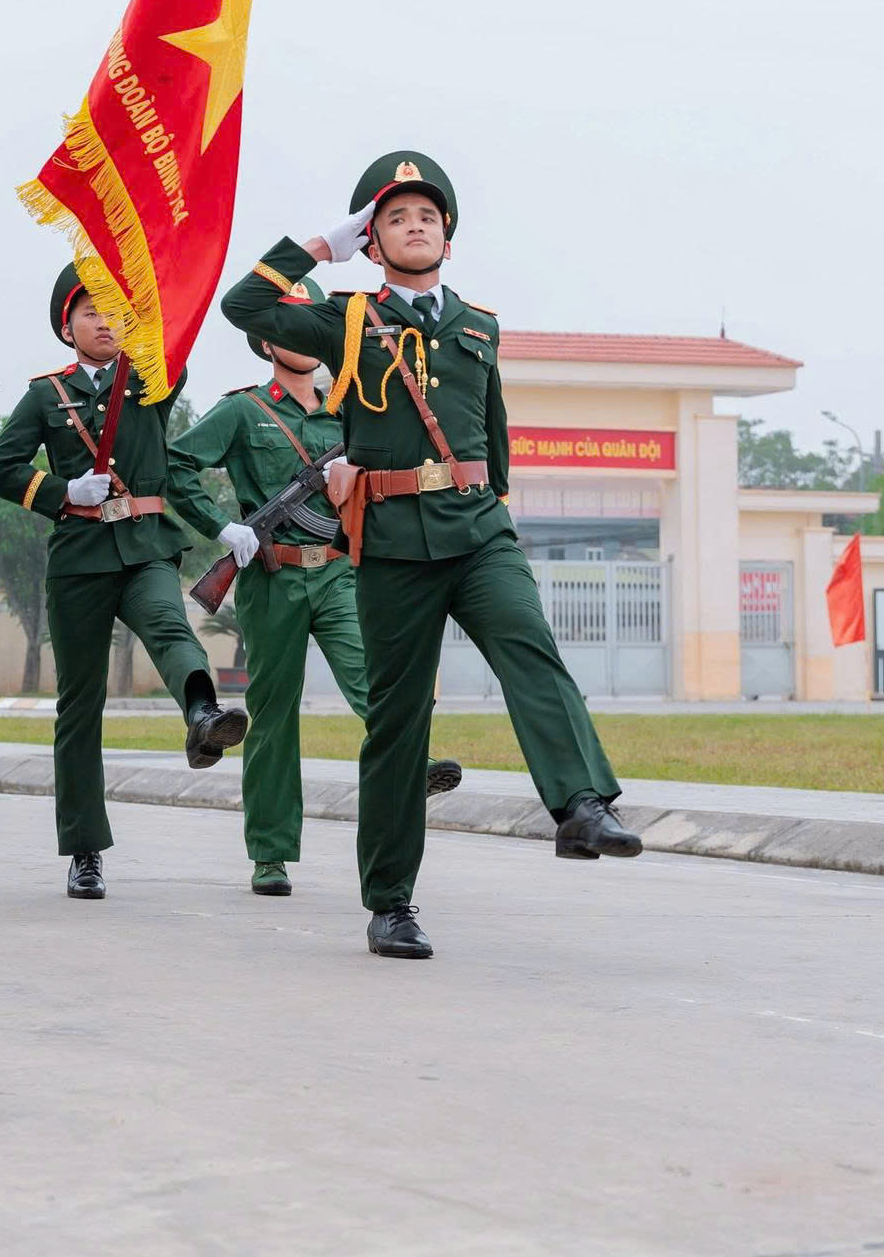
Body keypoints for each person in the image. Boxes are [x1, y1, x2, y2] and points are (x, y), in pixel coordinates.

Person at [222, 150, 641, 960]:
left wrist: (496, 508)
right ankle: (390, 903)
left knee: (531, 648)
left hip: (478, 530)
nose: (414, 226)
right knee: (398, 723)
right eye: (394, 218)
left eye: (426, 216)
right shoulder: (346, 320)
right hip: (392, 546)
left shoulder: (479, 325)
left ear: (448, 237)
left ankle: (581, 805)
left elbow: (494, 431)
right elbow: (246, 305)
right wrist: (321, 247)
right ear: (372, 241)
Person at [167, 276, 462, 897]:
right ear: (266, 339)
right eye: (288, 325)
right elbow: (177, 464)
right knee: (274, 715)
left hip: (337, 572)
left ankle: (417, 766)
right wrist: (222, 528)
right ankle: (270, 854)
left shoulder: (350, 410)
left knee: (376, 678)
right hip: (272, 576)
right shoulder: (244, 410)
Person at [0, 264, 247, 900]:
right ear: (67, 326)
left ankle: (202, 712)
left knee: (168, 623)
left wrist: (148, 281)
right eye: (91, 312)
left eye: (114, 311)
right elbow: (0, 467)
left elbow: (172, 342)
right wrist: (61, 491)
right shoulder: (45, 395)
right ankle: (85, 850)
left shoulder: (150, 379)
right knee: (80, 705)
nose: (105, 322)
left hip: (145, 545)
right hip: (79, 556)